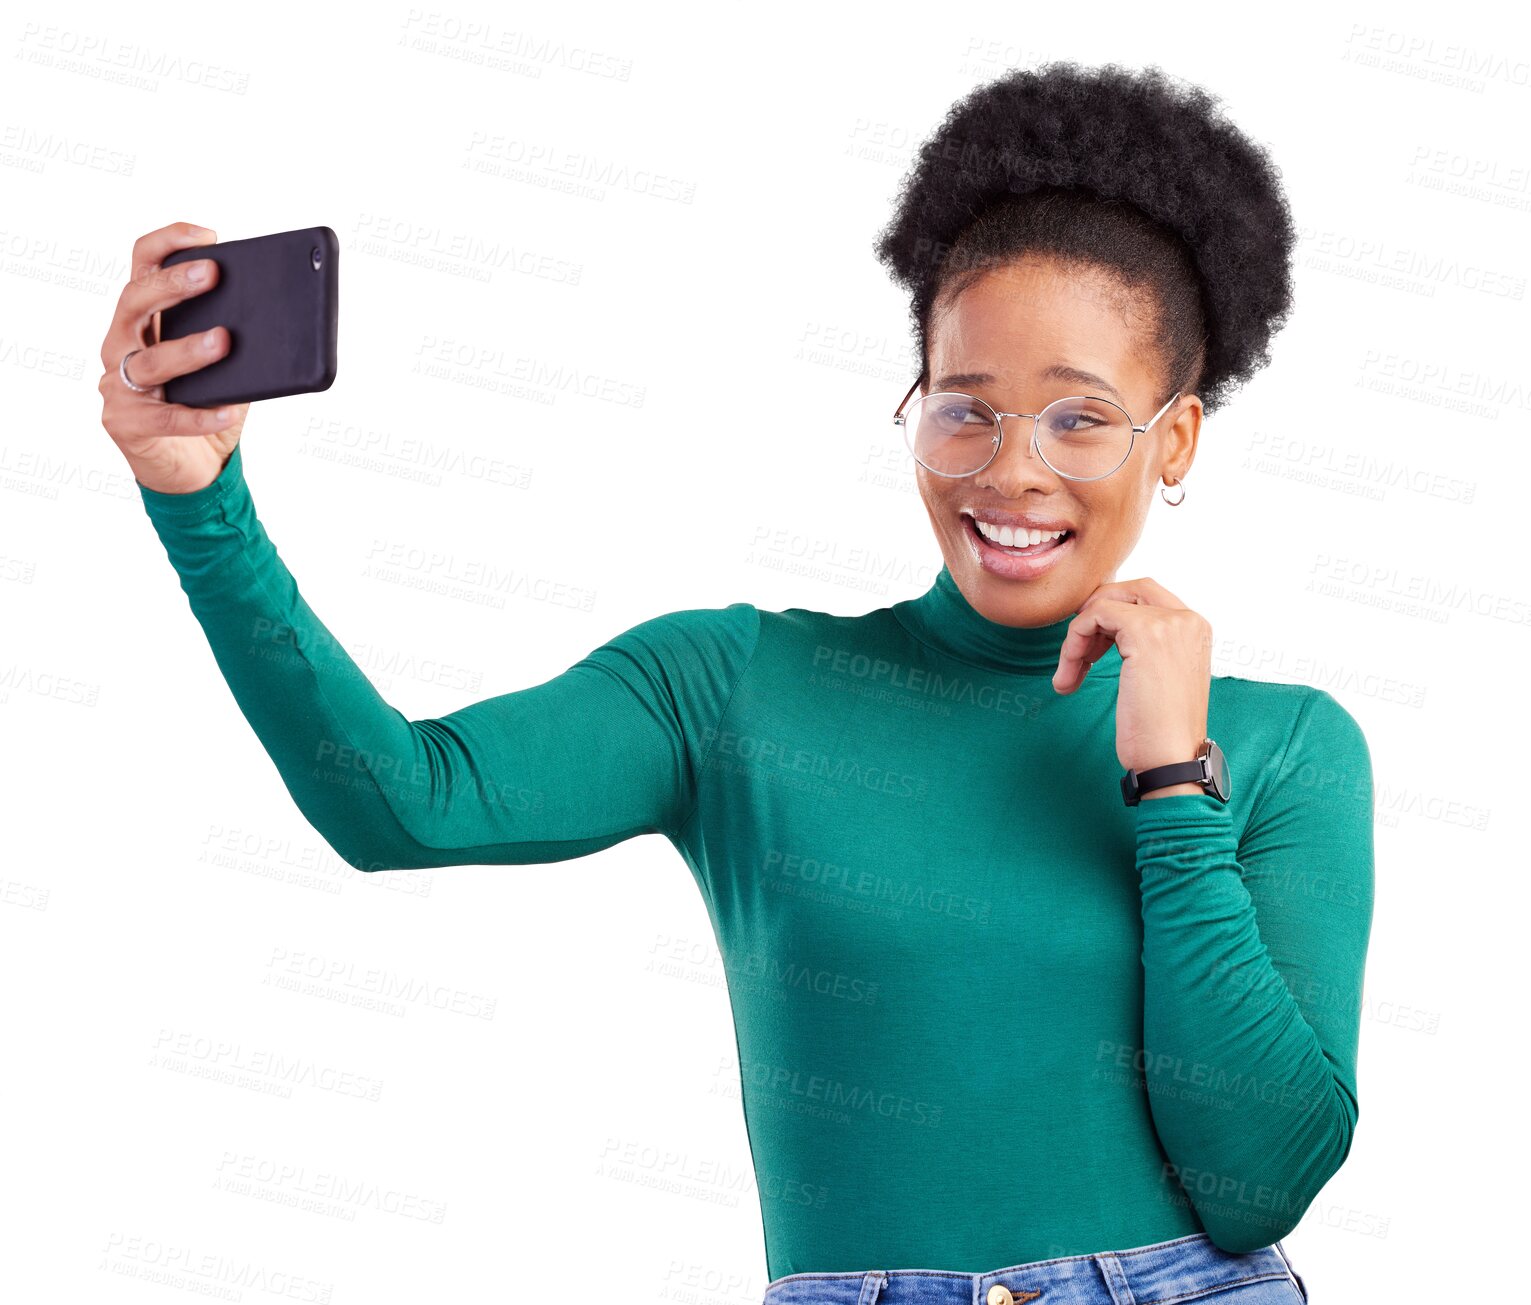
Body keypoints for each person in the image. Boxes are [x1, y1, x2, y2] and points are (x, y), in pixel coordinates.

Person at [98, 60, 1369, 1305]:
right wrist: (200, 505)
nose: (1011, 472)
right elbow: (400, 802)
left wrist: (1168, 784)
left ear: (1178, 434)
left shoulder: (1280, 746)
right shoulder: (735, 686)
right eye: (964, 408)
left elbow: (1256, 1182)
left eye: (1081, 418)